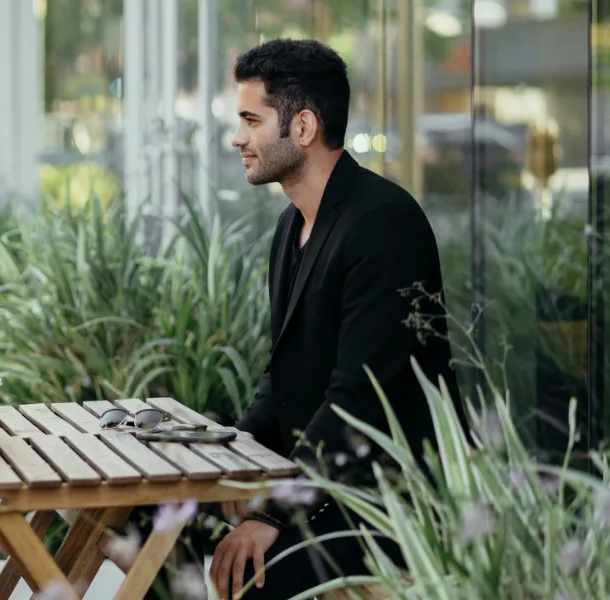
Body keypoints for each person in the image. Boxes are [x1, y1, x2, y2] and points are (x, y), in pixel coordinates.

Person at [208, 39, 466, 599]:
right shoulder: (290, 225)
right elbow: (284, 378)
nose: (237, 138)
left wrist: (272, 514)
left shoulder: (383, 223)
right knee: (154, 528)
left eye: (251, 120)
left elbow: (359, 398)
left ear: (302, 127)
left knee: (249, 577)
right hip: (322, 487)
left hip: (386, 506)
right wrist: (226, 456)